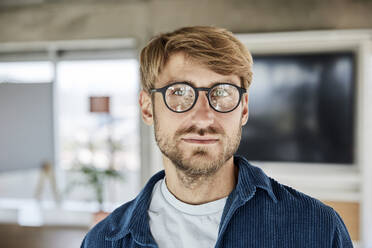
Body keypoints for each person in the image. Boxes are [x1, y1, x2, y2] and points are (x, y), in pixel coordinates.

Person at [81, 26, 353, 248]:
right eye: (179, 93)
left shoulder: (318, 229)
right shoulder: (103, 242)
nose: (203, 117)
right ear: (147, 108)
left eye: (221, 93)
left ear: (243, 109)